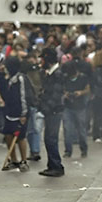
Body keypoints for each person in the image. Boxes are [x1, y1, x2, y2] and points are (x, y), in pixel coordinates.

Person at [38, 47, 65, 177]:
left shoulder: (57, 74)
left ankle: (56, 166)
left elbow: (56, 94)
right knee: (48, 138)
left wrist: (46, 107)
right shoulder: (50, 73)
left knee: (51, 138)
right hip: (51, 111)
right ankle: (52, 165)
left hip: (54, 111)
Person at [0, 56, 30, 172]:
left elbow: (23, 96)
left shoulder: (20, 79)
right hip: (9, 112)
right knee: (8, 135)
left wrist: (24, 114)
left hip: (20, 113)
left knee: (21, 137)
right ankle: (14, 160)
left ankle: (23, 160)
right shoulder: (8, 78)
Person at [61, 60, 90, 159]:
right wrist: (65, 94)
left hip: (80, 107)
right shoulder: (65, 78)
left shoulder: (83, 78)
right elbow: (62, 88)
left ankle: (84, 149)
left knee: (81, 129)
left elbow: (88, 89)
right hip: (68, 107)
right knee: (68, 129)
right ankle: (68, 150)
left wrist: (80, 93)